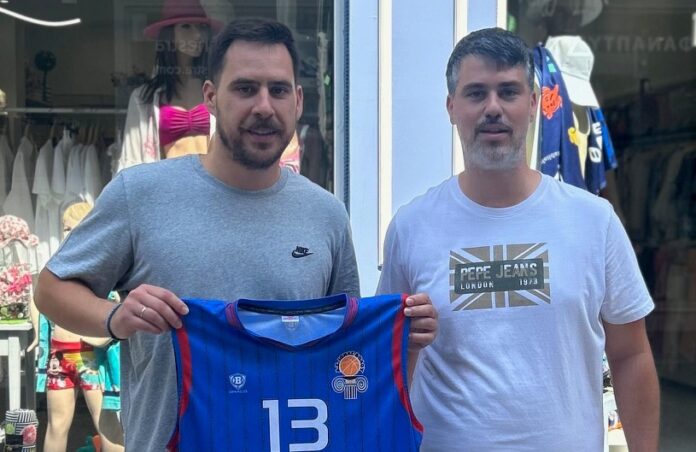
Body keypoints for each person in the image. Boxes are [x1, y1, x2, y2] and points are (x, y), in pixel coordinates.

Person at [35, 18, 437, 450]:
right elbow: (51, 289)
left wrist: (405, 343)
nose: (264, 106)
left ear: (298, 100)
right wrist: (114, 318)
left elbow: (344, 358)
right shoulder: (141, 194)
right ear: (211, 97)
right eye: (245, 89)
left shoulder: (326, 215)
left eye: (278, 90)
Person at [377, 27, 659, 451]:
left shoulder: (593, 222)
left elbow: (630, 354)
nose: (493, 108)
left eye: (508, 92)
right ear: (451, 107)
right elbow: (388, 362)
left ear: (532, 104)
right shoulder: (411, 227)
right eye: (476, 93)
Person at [34, 202, 123, 452]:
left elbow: (114, 302)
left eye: (72, 227)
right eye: (65, 228)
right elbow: (39, 296)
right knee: (56, 424)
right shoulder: (58, 262)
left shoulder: (98, 264)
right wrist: (39, 334)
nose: (67, 233)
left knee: (106, 425)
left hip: (90, 354)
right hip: (60, 354)